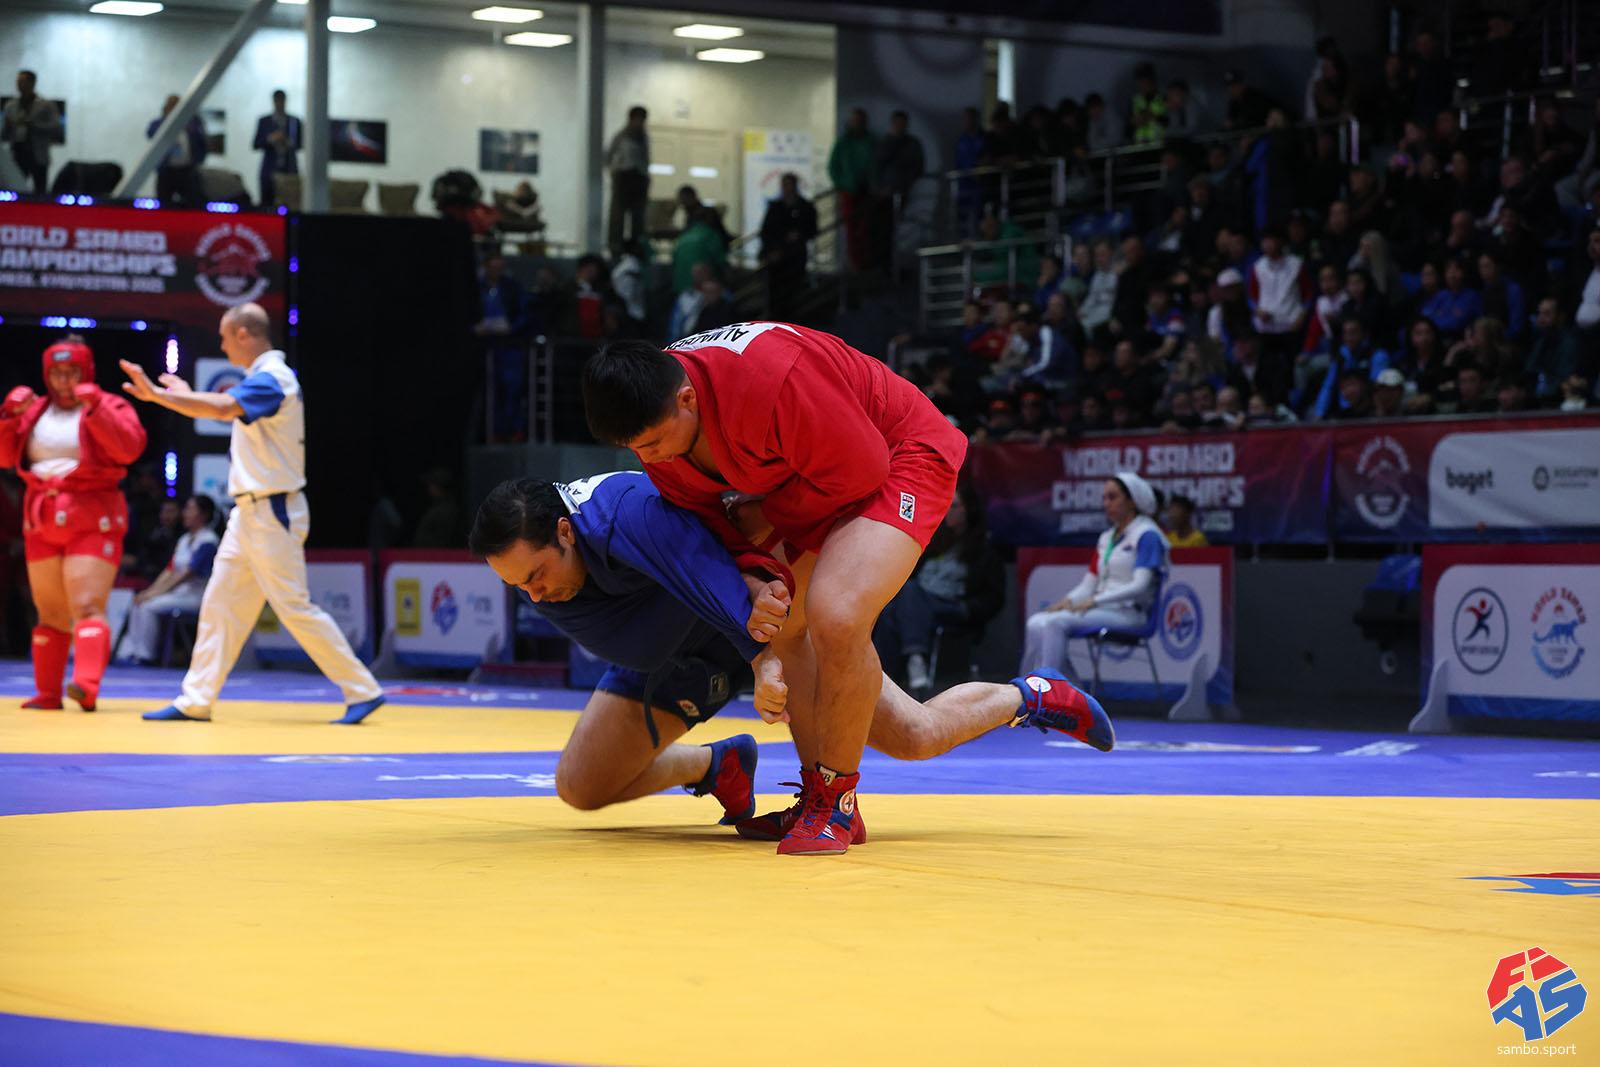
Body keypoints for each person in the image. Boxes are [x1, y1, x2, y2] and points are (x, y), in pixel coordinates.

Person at [581, 324, 1105, 855]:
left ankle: (836, 802)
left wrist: (766, 513)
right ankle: (1031, 697)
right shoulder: (657, 419)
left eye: (653, 443)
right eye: (637, 449)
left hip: (897, 455)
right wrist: (755, 573)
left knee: (836, 612)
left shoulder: (770, 377)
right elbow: (709, 518)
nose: (653, 459)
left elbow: (861, 472)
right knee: (883, 711)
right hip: (813, 478)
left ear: (687, 399)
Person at [469, 473, 1111, 838]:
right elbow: (638, 640)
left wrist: (763, 653)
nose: (535, 595)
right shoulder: (551, 568)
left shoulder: (626, 515)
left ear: (565, 531)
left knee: (913, 736)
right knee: (581, 787)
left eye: (538, 574)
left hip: (767, 624)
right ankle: (717, 765)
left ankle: (1030, 695)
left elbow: (716, 567)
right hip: (681, 652)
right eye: (519, 586)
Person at [118, 302, 385, 724]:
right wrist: (182, 395)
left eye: (225, 338)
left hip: (270, 510)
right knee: (220, 603)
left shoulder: (274, 378)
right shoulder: (262, 380)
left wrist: (161, 396)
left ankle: (362, 689)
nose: (223, 347)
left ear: (244, 334)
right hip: (249, 513)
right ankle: (195, 699)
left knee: (293, 606)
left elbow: (223, 409)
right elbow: (224, 405)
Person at [2, 336, 147, 710]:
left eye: (72, 372)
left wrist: (96, 406)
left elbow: (129, 449)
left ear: (87, 372)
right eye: (57, 373)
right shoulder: (34, 411)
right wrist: (8, 418)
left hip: (92, 515)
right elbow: (4, 457)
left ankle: (85, 685)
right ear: (46, 375)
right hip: (41, 518)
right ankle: (48, 693)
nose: (64, 381)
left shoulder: (108, 404)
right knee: (49, 612)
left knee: (86, 604)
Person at [1021, 473, 1170, 677]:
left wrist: (1096, 601)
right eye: (1104, 498)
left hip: (1130, 614)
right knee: (1036, 622)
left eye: (1113, 497)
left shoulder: (1147, 535)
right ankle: (1062, 689)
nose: (1106, 503)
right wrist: (1067, 601)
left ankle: (1047, 688)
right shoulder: (1106, 538)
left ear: (1132, 501)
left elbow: (1140, 585)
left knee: (1055, 623)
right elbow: (1089, 584)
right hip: (1104, 609)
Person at [872, 485, 1004, 692]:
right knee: (891, 609)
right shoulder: (935, 541)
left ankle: (893, 673)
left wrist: (969, 608)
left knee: (907, 595)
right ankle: (889, 676)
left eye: (955, 506)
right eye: (947, 506)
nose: (948, 511)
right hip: (920, 604)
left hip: (954, 605)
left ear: (969, 510)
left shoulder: (984, 551)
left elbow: (994, 597)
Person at [117, 494, 218, 665]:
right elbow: (169, 571)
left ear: (204, 514)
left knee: (148, 606)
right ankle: (133, 651)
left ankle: (146, 656)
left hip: (196, 596)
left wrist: (155, 594)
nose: (185, 513)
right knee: (138, 601)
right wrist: (149, 592)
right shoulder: (184, 540)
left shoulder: (208, 541)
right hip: (177, 594)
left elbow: (185, 575)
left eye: (190, 509)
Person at [474, 253, 530, 442]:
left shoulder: (512, 287)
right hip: (484, 347)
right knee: (489, 391)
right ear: (486, 267)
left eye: (500, 267)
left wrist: (512, 327)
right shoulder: (478, 288)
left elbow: (525, 313)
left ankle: (514, 430)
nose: (497, 271)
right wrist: (474, 328)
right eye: (493, 267)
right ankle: (492, 431)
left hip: (509, 347)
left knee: (512, 389)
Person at [758, 173, 819, 320]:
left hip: (795, 258)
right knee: (775, 294)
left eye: (789, 185)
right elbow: (766, 231)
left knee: (793, 294)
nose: (787, 188)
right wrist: (771, 250)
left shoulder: (805, 207)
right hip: (776, 259)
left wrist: (799, 235)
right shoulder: (775, 207)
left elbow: (812, 230)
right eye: (784, 185)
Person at [828, 108, 875, 270]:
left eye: (860, 121)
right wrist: (842, 184)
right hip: (849, 191)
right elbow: (833, 166)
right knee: (851, 228)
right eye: (855, 121)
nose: (857, 124)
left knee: (867, 227)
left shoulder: (871, 142)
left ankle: (866, 261)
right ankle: (855, 262)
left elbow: (877, 165)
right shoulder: (843, 143)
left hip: (867, 191)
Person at [2, 69, 59, 194]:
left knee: (40, 189)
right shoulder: (11, 105)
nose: (18, 84)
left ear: (32, 83)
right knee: (15, 189)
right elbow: (5, 133)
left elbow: (54, 126)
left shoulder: (46, 105)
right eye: (18, 81)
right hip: (18, 152)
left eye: (22, 81)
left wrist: (33, 125)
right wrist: (8, 126)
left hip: (37, 153)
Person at [146, 94, 208, 206]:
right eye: (172, 106)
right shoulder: (159, 123)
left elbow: (202, 142)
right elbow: (151, 133)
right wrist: (168, 120)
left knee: (192, 202)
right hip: (166, 170)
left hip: (187, 170)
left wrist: (199, 160)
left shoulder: (193, 123)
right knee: (164, 203)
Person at [605, 106, 650, 254]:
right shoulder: (621, 136)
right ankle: (615, 246)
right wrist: (615, 172)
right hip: (623, 177)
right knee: (618, 215)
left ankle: (636, 247)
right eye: (638, 119)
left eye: (643, 120)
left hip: (639, 178)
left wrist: (646, 177)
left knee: (638, 216)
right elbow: (608, 157)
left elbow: (646, 159)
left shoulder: (643, 137)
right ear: (631, 119)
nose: (641, 123)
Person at [252, 89, 302, 207]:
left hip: (289, 169)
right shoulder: (264, 121)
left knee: (290, 203)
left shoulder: (294, 121)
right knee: (267, 204)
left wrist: (287, 141)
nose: (279, 104)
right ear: (273, 102)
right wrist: (270, 139)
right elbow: (256, 144)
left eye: (281, 101)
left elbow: (300, 144)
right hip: (269, 170)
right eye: (277, 101)